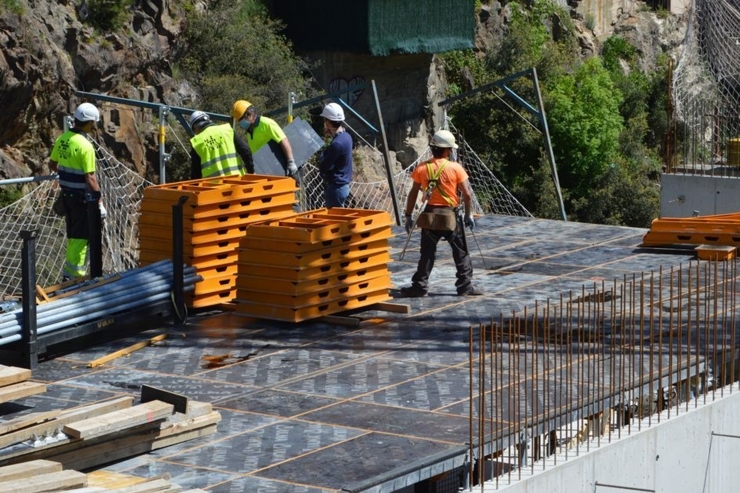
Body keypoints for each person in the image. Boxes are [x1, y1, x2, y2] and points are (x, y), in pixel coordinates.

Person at [399, 129, 483, 297]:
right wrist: (468, 214)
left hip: (429, 218)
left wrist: (408, 216)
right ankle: (464, 286)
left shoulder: (422, 168)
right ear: (447, 150)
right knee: (461, 253)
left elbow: (413, 193)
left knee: (427, 254)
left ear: (433, 148)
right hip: (449, 218)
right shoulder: (456, 168)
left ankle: (420, 286)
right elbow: (467, 194)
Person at [49, 102, 102, 281]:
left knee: (73, 234)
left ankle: (71, 275)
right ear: (89, 123)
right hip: (82, 199)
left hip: (67, 196)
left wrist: (67, 176)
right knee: (81, 237)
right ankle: (74, 277)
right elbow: (90, 178)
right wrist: (99, 201)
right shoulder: (86, 146)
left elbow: (53, 164)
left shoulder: (62, 139)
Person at [231, 100, 297, 176]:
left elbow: (283, 140)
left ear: (251, 114)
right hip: (273, 171)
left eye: (243, 118)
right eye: (240, 121)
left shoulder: (266, 123)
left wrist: (291, 162)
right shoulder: (249, 134)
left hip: (288, 167)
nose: (242, 122)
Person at [189, 111, 253, 179]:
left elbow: (196, 172)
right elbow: (246, 151)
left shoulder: (197, 141)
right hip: (238, 182)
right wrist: (251, 171)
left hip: (214, 187)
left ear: (196, 127)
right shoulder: (227, 130)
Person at [318, 103, 353, 208]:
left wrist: (324, 150)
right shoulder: (347, 137)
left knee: (334, 221)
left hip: (335, 188)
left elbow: (323, 166)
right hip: (343, 185)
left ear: (328, 122)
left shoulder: (336, 144)